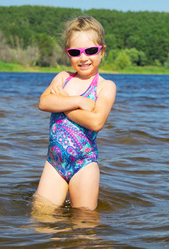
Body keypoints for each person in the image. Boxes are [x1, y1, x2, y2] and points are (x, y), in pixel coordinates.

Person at [35, 16, 116, 211]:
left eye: (90, 51)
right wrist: (79, 101)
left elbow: (96, 122)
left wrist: (62, 103)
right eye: (75, 52)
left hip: (84, 165)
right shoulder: (62, 78)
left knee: (84, 224)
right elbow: (44, 102)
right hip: (54, 163)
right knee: (40, 217)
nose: (83, 58)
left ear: (102, 51)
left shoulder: (104, 87)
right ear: (67, 54)